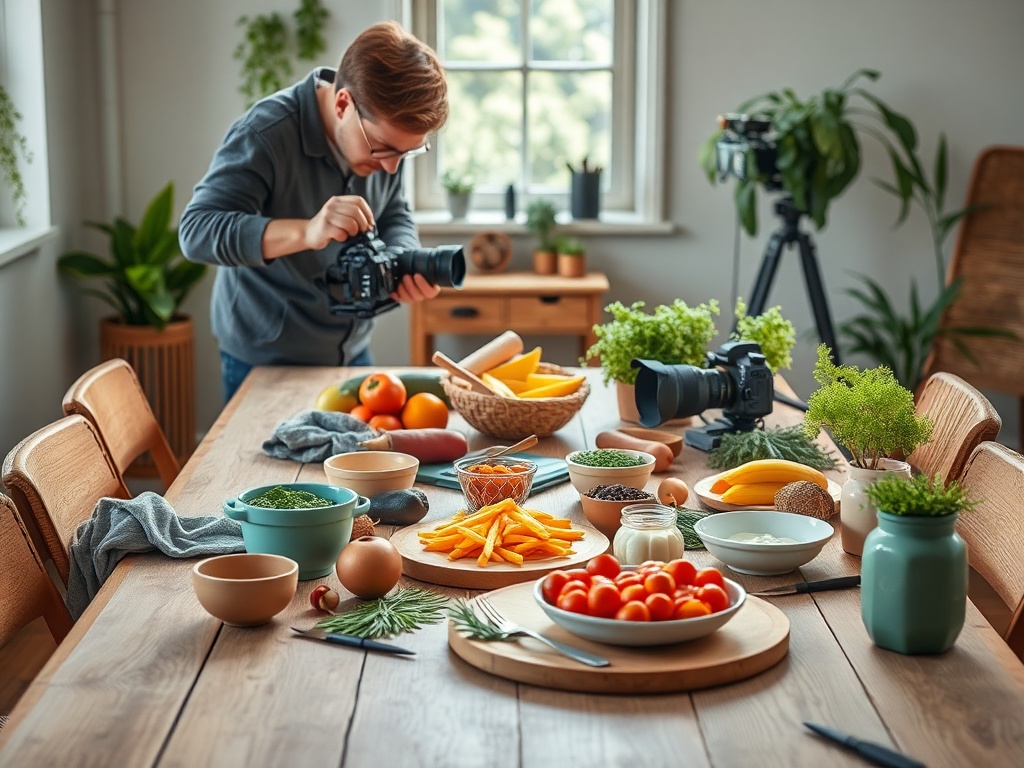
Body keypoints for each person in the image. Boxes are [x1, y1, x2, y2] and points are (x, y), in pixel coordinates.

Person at [179, 21, 448, 402]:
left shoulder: (386, 141)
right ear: (343, 104)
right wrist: (306, 232)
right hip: (266, 361)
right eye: (385, 149)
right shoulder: (265, 133)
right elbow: (196, 231)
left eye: (406, 154)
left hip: (352, 352)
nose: (392, 167)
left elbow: (393, 212)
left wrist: (403, 258)